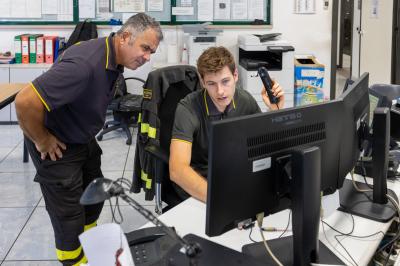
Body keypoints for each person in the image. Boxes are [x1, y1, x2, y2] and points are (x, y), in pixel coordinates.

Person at [15, 13, 163, 266]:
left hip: (81, 137)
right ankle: (74, 260)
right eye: (145, 48)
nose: (147, 57)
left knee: (92, 201)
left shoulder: (113, 57)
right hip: (57, 143)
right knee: (69, 219)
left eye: (152, 51)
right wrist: (42, 140)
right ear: (126, 37)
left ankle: (90, 249)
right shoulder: (84, 65)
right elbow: (25, 101)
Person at [169, 46, 285, 203]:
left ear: (235, 75)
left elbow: (264, 146)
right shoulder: (187, 108)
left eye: (225, 81)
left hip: (234, 179)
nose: (220, 91)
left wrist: (274, 112)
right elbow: (177, 170)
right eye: (211, 84)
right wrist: (219, 200)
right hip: (200, 187)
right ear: (202, 82)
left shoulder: (245, 100)